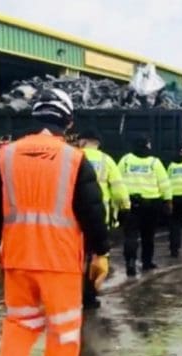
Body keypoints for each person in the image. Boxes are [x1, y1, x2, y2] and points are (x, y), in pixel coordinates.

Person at [0, 88, 110, 356]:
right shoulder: (74, 159)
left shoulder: (4, 156)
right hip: (60, 261)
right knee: (63, 333)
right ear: (67, 122)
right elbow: (92, 211)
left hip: (18, 257)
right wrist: (101, 253)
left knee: (20, 322)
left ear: (34, 119)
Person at [78, 127, 128, 309]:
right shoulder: (107, 161)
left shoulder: (72, 156)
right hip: (99, 217)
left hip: (73, 218)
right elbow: (118, 189)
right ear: (98, 143)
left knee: (76, 256)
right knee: (95, 257)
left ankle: (72, 291)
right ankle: (90, 294)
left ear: (82, 141)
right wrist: (125, 208)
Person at [117, 135, 170, 277]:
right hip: (151, 204)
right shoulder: (154, 162)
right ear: (147, 145)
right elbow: (164, 183)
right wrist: (168, 200)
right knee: (148, 236)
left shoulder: (125, 160)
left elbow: (118, 181)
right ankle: (147, 262)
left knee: (130, 235)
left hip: (130, 204)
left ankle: (130, 262)